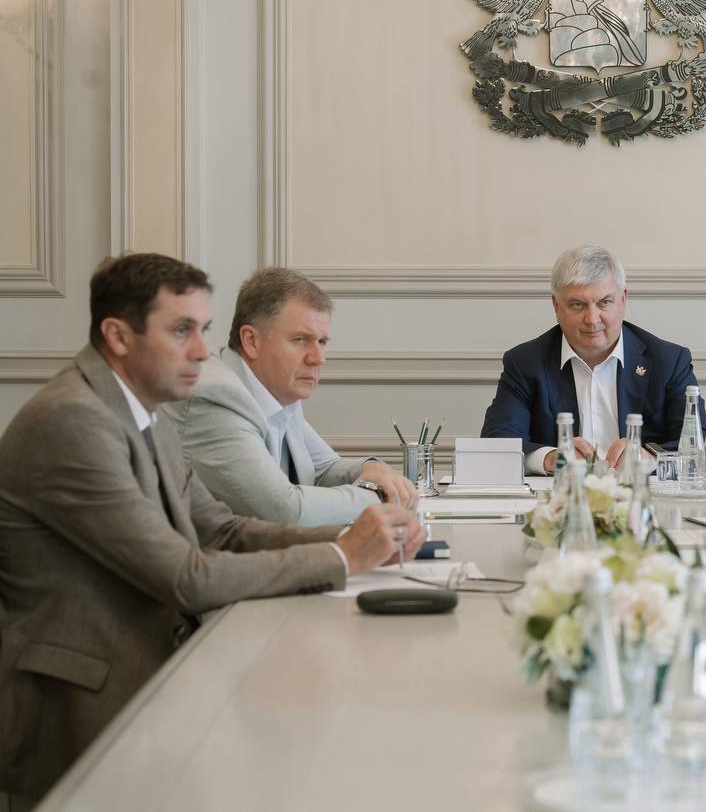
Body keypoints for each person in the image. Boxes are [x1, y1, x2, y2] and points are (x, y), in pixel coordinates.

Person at [0, 255, 425, 805]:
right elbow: (186, 576)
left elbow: (221, 530)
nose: (203, 351)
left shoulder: (145, 409)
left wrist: (361, 542)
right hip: (82, 700)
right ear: (118, 336)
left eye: (202, 329)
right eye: (182, 331)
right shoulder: (73, 420)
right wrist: (344, 558)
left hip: (162, 668)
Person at [166, 268, 415, 526]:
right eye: (300, 339)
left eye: (322, 342)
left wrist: (369, 469)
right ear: (251, 341)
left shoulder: (277, 388)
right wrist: (375, 496)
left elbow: (323, 469)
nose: (318, 358)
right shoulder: (214, 395)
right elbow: (283, 510)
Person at [481, 246, 706, 473]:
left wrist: (650, 458)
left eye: (604, 302)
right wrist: (550, 458)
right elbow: (497, 441)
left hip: (641, 490)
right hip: (561, 491)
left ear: (623, 300)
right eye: (577, 305)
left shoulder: (668, 361)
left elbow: (700, 442)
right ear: (556, 307)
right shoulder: (525, 363)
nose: (592, 319)